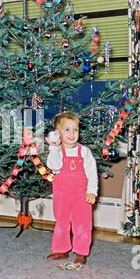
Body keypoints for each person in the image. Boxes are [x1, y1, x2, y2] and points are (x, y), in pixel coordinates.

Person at [46, 111, 98, 265]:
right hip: (62, 194)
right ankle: (61, 249)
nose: (72, 133)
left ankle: (81, 252)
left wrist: (92, 191)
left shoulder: (84, 151)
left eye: (75, 129)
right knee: (61, 222)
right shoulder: (57, 151)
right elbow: (53, 166)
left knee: (83, 223)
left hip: (81, 195)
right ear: (58, 133)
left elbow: (92, 173)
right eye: (67, 130)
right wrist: (54, 148)